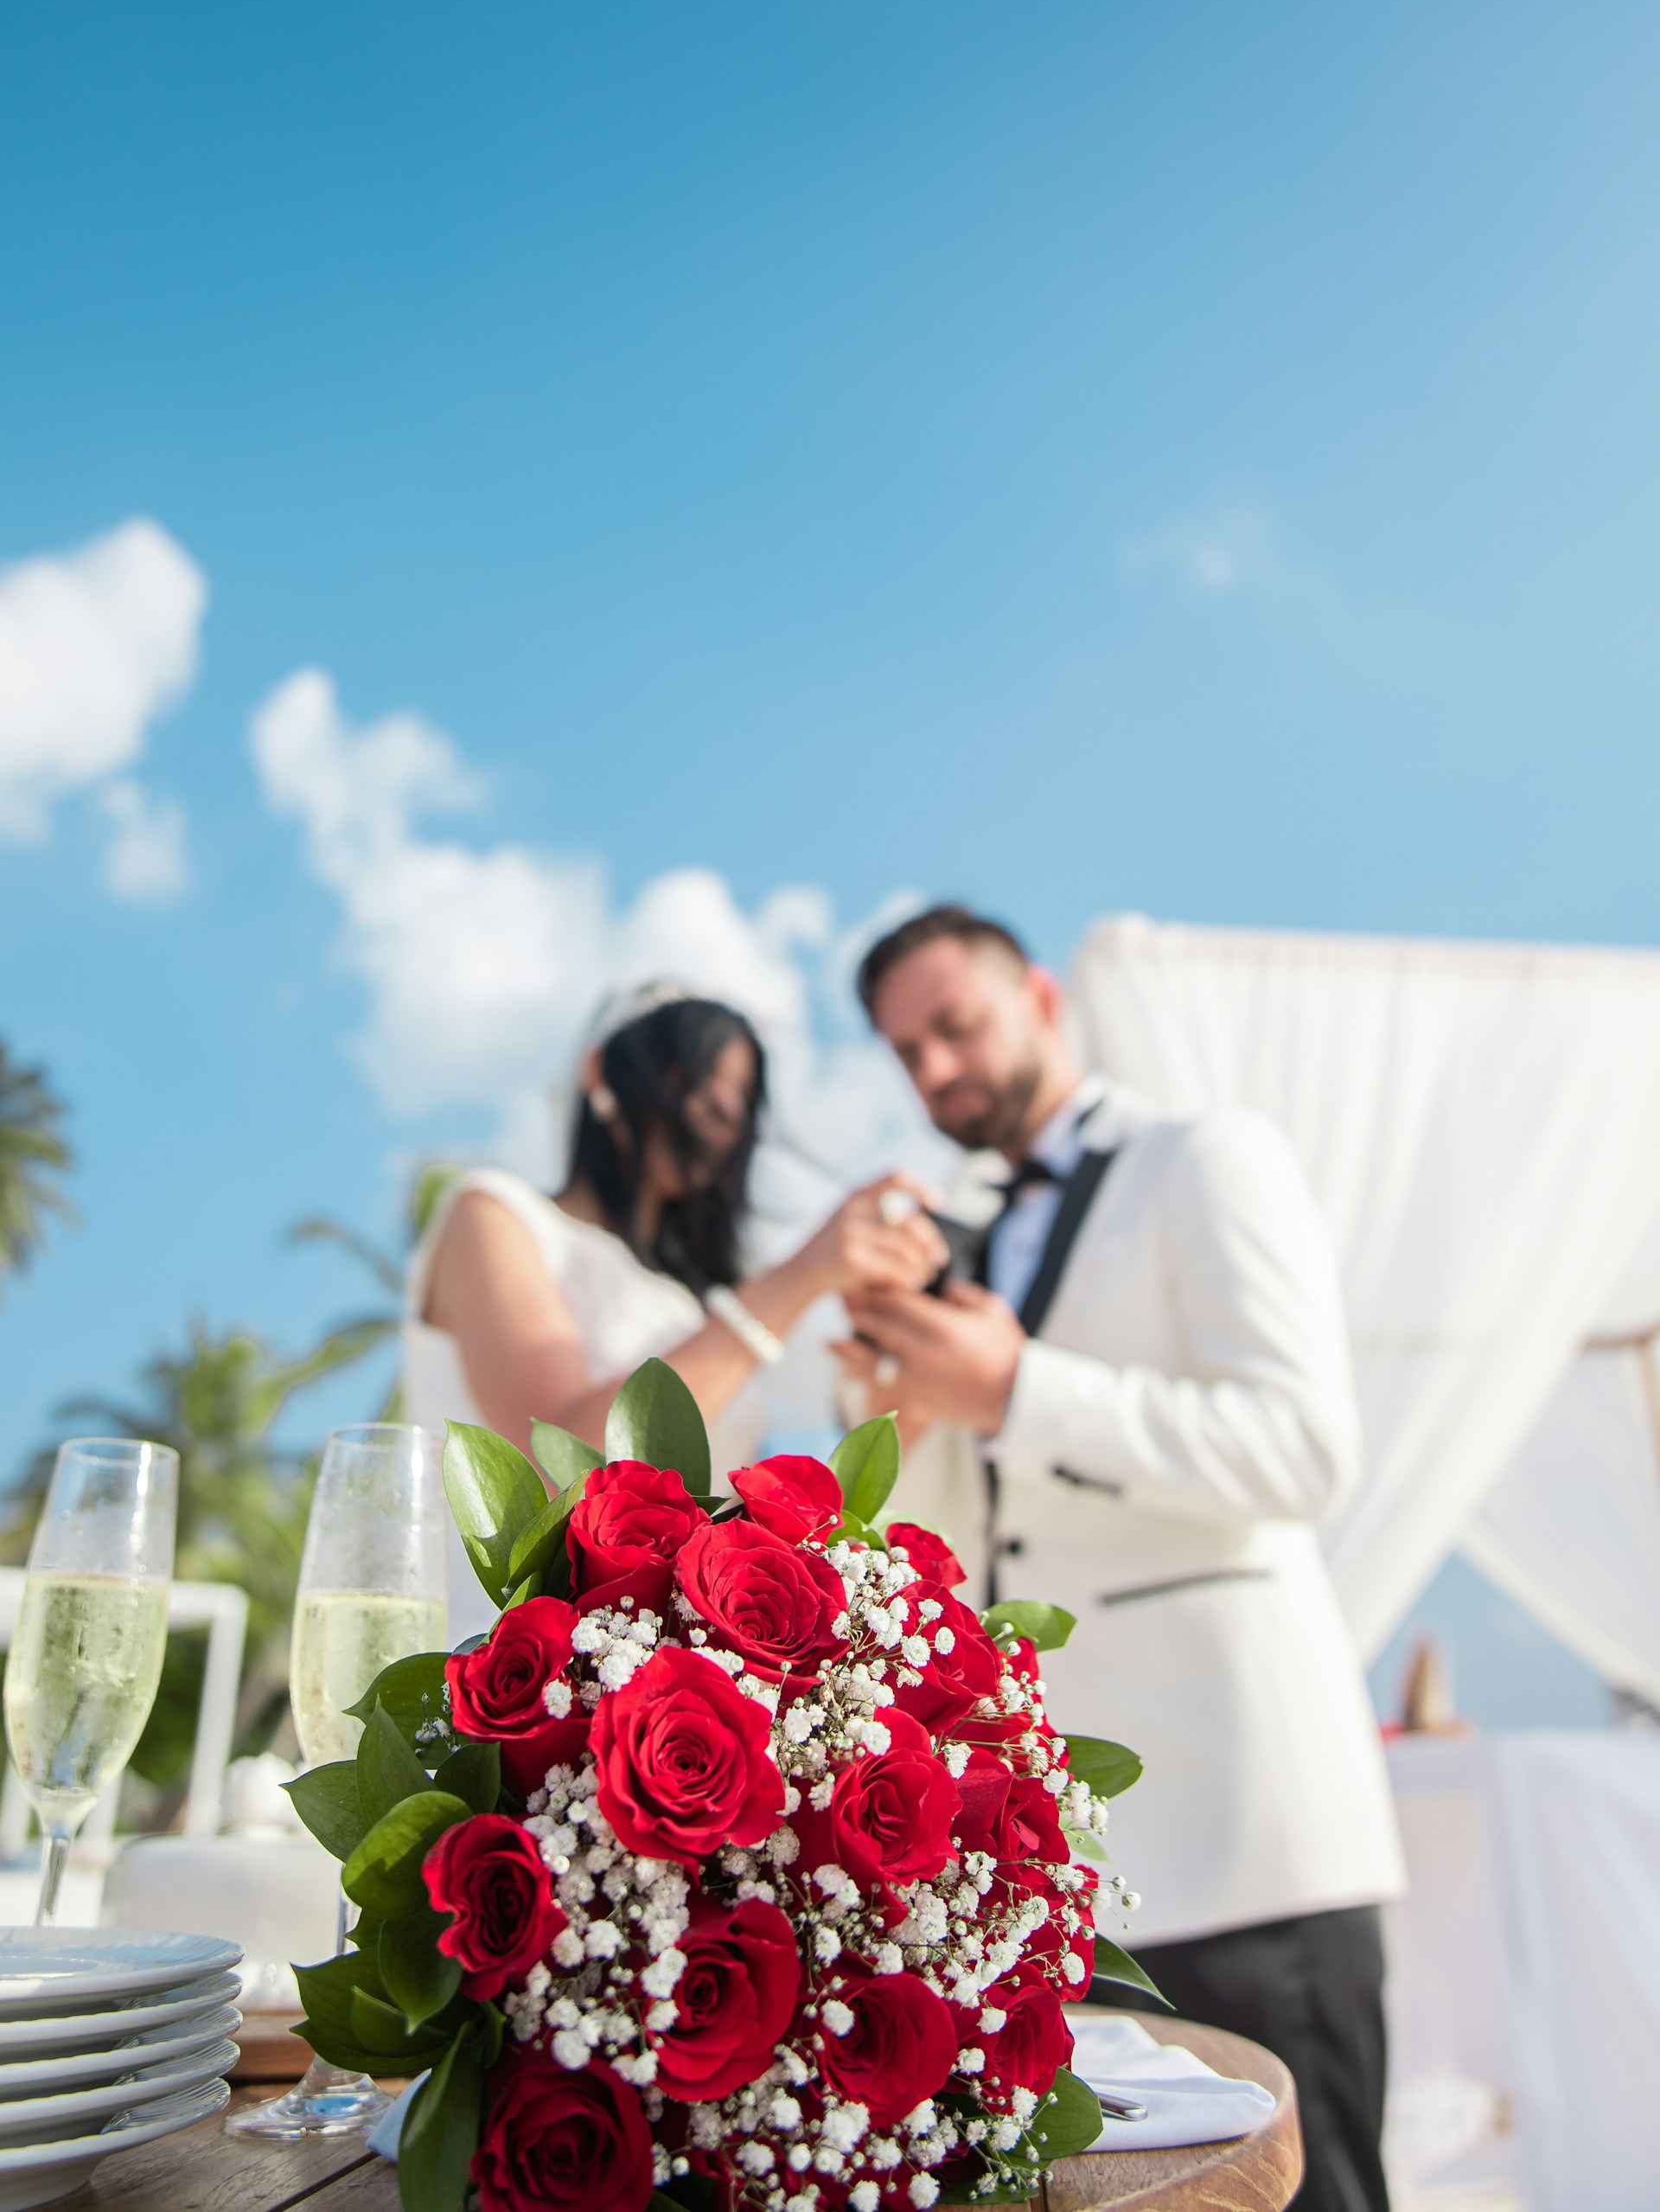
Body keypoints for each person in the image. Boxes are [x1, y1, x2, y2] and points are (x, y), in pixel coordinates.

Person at [834, 906, 1404, 2212]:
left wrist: (1022, 1382)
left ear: (1041, 996)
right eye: (905, 1051)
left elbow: (1307, 1449)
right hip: (1063, 1874)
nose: (933, 1071)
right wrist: (905, 1407)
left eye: (954, 1026)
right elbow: (969, 1538)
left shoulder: (1207, 1156)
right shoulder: (966, 1231)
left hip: (1248, 1837)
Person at [405, 982, 944, 1639]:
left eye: (742, 1098)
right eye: (696, 1080)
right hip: (499, 1660)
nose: (722, 1113)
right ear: (602, 1073)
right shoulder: (495, 1214)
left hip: (658, 1695)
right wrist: (799, 1277)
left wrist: (903, 1388)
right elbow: (561, 1464)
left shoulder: (697, 1309)